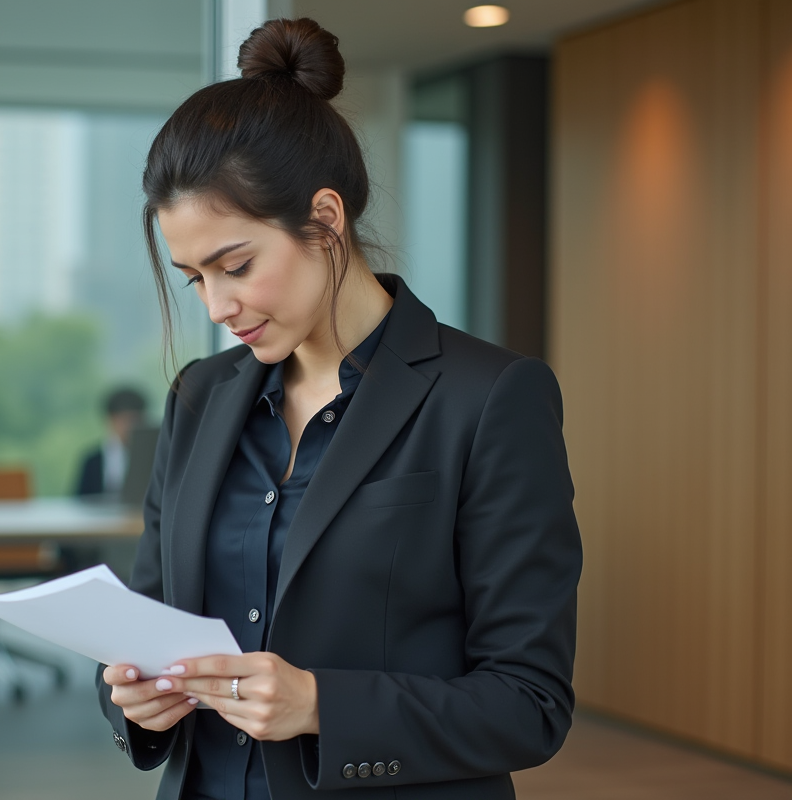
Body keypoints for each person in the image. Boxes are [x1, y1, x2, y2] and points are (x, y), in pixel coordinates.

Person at [97, 17, 581, 800]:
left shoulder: (489, 398)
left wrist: (322, 706)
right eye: (194, 278)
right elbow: (149, 623)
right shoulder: (199, 396)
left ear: (325, 221)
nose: (218, 305)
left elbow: (530, 704)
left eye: (237, 265)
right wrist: (134, 700)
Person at [75, 387, 149, 497]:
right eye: (124, 420)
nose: (129, 427)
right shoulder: (93, 461)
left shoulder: (152, 456)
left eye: (134, 420)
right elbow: (80, 500)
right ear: (111, 420)